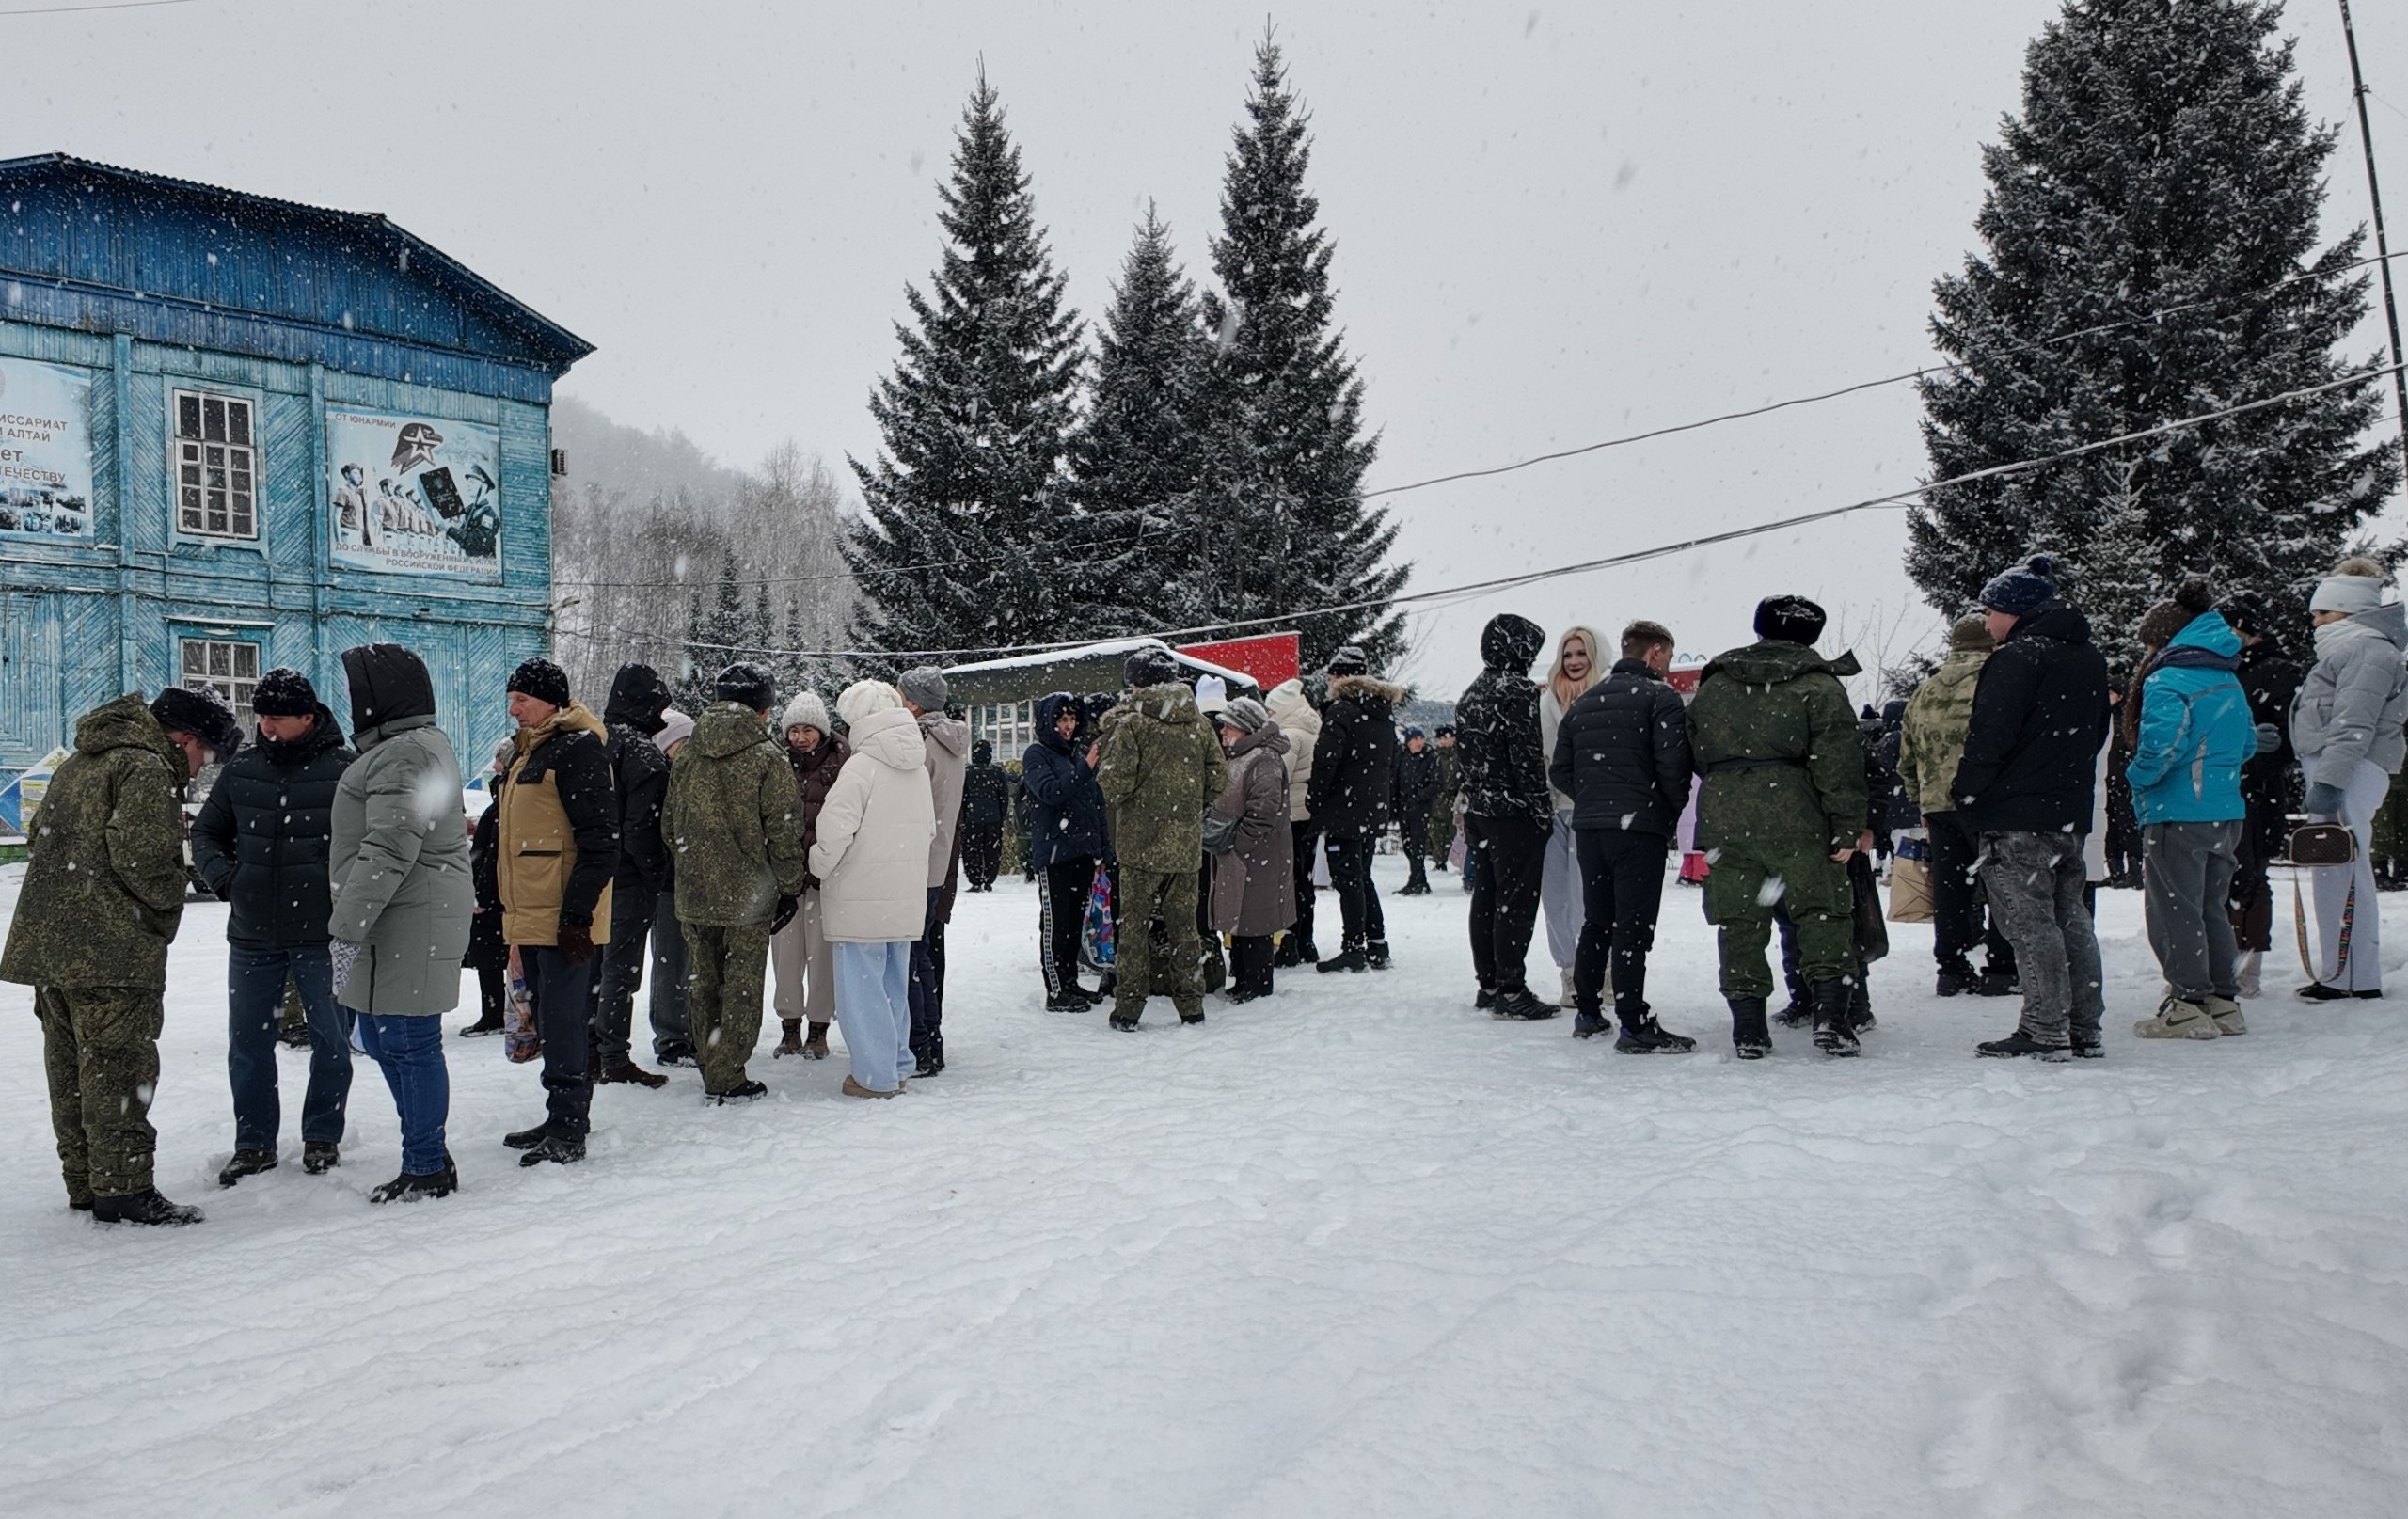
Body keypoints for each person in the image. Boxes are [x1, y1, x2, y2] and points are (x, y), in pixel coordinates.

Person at [3, 685, 240, 1225]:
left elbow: (44, 838)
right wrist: (163, 913)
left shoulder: (82, 762)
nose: (201, 766)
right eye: (203, 754)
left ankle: (85, 1183)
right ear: (184, 740)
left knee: (70, 1070)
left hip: (52, 947)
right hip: (111, 951)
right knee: (118, 1069)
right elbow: (146, 860)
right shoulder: (146, 769)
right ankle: (125, 1188)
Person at [188, 666, 356, 1186]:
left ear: (308, 717)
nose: (266, 727)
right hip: (253, 934)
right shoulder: (242, 770)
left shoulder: (347, 770)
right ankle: (254, 1142)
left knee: (332, 1040)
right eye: (261, 717)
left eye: (277, 718)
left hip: (323, 934)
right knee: (249, 1043)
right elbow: (207, 834)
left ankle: (322, 1135)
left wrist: (343, 895)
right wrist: (228, 881)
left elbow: (367, 845)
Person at [1686, 597, 1869, 1057]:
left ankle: (1748, 1029)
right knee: (1823, 913)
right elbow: (1838, 762)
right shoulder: (1818, 686)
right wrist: (1847, 826)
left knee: (1739, 921)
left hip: (1727, 814)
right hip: (1799, 812)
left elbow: (1696, 749)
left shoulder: (1717, 684)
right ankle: (1831, 1018)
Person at [326, 643, 474, 1203]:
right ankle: (428, 1150)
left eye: (355, 690)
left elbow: (389, 848)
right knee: (388, 1041)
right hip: (399, 916)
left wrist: (346, 925)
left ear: (379, 697)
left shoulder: (405, 754)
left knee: (408, 1042)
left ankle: (426, 1166)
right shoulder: (398, 749)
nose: (348, 701)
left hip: (412, 918)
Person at [1951, 556, 2113, 1060]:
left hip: (2016, 813)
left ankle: (2044, 1028)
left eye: (1991, 610)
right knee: (2071, 919)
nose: (1986, 621)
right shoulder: (2087, 656)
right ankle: (2084, 1027)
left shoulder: (2018, 658)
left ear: (2017, 611)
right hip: (2066, 811)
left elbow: (1989, 737)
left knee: (2027, 923)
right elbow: (2094, 733)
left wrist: (1967, 793)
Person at [660, 663, 806, 1103]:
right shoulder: (767, 757)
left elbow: (670, 825)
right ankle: (727, 1073)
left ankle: (711, 1061)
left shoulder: (686, 754)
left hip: (695, 890)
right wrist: (789, 885)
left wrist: (695, 863)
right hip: (750, 895)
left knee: (703, 981)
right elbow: (783, 830)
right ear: (764, 709)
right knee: (741, 985)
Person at [494, 657, 619, 1166]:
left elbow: (601, 842)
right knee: (549, 1018)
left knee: (566, 1023)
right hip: (532, 912)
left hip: (564, 917)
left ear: (550, 701)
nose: (514, 709)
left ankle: (569, 1129)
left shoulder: (578, 750)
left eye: (522, 699)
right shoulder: (533, 752)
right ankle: (559, 1115)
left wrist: (576, 917)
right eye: (512, 699)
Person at [1550, 619, 1695, 1052]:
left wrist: (1594, 799)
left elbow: (1561, 770)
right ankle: (1633, 1021)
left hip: (1591, 828)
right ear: (1654, 652)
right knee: (1632, 926)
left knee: (1597, 921)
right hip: (1638, 828)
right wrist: (1665, 812)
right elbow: (1673, 766)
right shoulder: (1661, 699)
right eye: (1667, 655)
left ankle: (1589, 1011)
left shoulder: (1585, 703)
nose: (1668, 664)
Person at [2124, 579, 2255, 1039]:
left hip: (2177, 808)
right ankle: (2222, 1000)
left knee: (2173, 908)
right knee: (2211, 906)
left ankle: (2186, 1001)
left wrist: (2136, 778)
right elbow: (2248, 744)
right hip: (2225, 810)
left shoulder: (2167, 680)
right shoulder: (2228, 678)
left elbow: (2161, 747)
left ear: (2164, 640)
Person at [810, 680, 936, 1096]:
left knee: (862, 996)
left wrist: (816, 866)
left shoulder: (861, 766)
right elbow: (926, 833)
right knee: (894, 988)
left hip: (859, 899)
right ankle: (898, 1064)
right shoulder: (916, 765)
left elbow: (833, 832)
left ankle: (874, 1076)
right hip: (903, 898)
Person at [2290, 557, 2408, 1000]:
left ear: (2350, 610)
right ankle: (2343, 971)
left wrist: (2331, 779)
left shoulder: (2367, 650)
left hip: (2349, 770)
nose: (2315, 621)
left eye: (2323, 612)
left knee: (2344, 866)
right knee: (2334, 867)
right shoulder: (2355, 648)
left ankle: (2354, 975)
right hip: (2342, 767)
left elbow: (2353, 723)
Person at [1096, 648, 1229, 1028]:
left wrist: (1138, 800)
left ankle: (1127, 1009)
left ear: (1136, 684)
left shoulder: (1133, 725)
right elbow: (1219, 780)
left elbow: (1112, 785)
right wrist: (1188, 806)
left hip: (1140, 846)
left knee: (1134, 929)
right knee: (1185, 929)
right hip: (1186, 845)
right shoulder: (1199, 724)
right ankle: (1191, 1005)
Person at [1899, 615, 2019, 997]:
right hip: (1991, 800)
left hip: (1939, 805)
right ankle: (2001, 967)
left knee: (1951, 888)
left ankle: (1951, 968)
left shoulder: (1925, 691)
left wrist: (1921, 799)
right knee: (2001, 882)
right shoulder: (2000, 680)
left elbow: (1907, 757)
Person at [1455, 614, 1555, 1018]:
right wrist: (1539, 805)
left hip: (1480, 808)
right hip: (1513, 810)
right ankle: (1512, 988)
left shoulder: (1471, 693)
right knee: (1516, 900)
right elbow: (1527, 757)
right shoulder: (1517, 691)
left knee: (1487, 895)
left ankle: (1490, 983)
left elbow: (1467, 759)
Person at [588, 662, 673, 1090]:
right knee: (621, 970)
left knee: (591, 966)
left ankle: (588, 1050)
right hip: (628, 879)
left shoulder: (590, 742)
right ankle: (613, 1056)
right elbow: (643, 830)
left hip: (589, 874)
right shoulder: (645, 755)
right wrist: (658, 874)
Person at [2219, 594, 2304, 998]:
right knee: (2227, 875)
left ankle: (2249, 961)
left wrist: (2252, 758)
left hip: (2257, 788)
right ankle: (2227, 957)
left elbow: (2288, 738)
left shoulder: (2278, 671)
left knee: (2251, 876)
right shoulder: (2224, 668)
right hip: (2228, 784)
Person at [1308, 646, 1401, 974]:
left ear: (1342, 677)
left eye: (1332, 676)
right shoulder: (1382, 711)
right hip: (1371, 806)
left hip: (1343, 808)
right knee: (1362, 876)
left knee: (1348, 879)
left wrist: (1315, 801)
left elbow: (1325, 761)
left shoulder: (1342, 710)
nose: (1329, 683)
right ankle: (1377, 944)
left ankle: (1353, 948)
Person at [899, 667, 969, 1076]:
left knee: (911, 956)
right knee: (924, 952)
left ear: (913, 702)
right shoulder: (953, 740)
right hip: (938, 861)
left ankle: (921, 1045)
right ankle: (932, 1042)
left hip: (915, 860)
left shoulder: (920, 741)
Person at [1022, 690, 1110, 1010]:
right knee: (1056, 925)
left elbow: (1094, 804)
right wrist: (1085, 768)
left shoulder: (1077, 755)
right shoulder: (1037, 755)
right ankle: (1056, 990)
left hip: (1081, 853)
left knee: (1075, 924)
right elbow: (1051, 792)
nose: (1068, 726)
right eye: (1061, 720)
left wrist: (1102, 849)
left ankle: (1070, 982)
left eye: (1072, 719)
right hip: (1055, 853)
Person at [771, 689, 847, 1061]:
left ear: (821, 730)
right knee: (786, 956)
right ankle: (789, 1028)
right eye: (794, 730)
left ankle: (818, 1029)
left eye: (808, 730)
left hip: (824, 876)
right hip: (783, 879)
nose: (800, 738)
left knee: (822, 957)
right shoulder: (774, 761)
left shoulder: (842, 760)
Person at [1537, 626, 1608, 1005]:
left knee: (1591, 896)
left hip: (1593, 809)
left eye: (1581, 653)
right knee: (1556, 897)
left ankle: (1605, 970)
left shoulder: (1607, 694)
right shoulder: (1546, 702)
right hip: (1553, 809)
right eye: (1567, 654)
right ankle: (1569, 973)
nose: (1574, 661)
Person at [1211, 696, 1296, 1002]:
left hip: (1257, 855)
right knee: (1242, 919)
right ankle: (1244, 980)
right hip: (1243, 856)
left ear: (1245, 728)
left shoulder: (1263, 759)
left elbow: (1264, 811)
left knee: (1257, 921)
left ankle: (1257, 986)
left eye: (1229, 727)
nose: (1223, 732)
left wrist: (1238, 843)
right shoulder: (1243, 755)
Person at [649, 708, 698, 1064]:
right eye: (682, 742)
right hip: (668, 883)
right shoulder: (657, 778)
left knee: (698, 962)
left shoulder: (700, 776)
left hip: (700, 881)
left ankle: (696, 1031)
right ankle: (671, 1037)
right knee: (671, 962)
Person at [1264, 677, 1323, 965]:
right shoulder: (1312, 727)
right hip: (1308, 814)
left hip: (1290, 815)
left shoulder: (1289, 734)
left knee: (1289, 881)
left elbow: (1278, 776)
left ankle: (1291, 941)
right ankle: (1306, 939)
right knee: (1305, 880)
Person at [460, 739, 514, 1037]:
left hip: (493, 893)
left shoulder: (505, 801)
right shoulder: (501, 797)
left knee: (491, 955)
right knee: (491, 955)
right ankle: (497, 1012)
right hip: (492, 889)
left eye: (498, 759)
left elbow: (493, 854)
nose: (494, 766)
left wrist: (482, 893)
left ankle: (496, 1014)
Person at [1391, 726, 1442, 895]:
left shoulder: (1430, 757)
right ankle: (1420, 880)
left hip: (1420, 808)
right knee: (1408, 845)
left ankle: (1416, 880)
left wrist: (1418, 797)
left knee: (1417, 845)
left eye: (1421, 738)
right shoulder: (1402, 757)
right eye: (1414, 739)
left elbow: (1436, 783)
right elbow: (1395, 781)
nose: (1419, 742)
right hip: (1404, 808)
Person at [961, 738, 1009, 892]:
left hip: (972, 818)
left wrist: (963, 815)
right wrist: (1002, 815)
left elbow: (963, 796)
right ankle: (989, 879)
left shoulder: (968, 772)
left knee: (972, 850)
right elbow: (1004, 796)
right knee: (992, 850)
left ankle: (975, 879)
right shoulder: (997, 772)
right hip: (993, 818)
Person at [1429, 726, 1460, 876]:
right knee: (1437, 833)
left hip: (1455, 800)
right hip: (1437, 800)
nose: (1443, 741)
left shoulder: (1459, 755)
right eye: (1440, 739)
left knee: (1457, 833)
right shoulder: (1434, 756)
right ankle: (1439, 861)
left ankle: (1459, 862)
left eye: (1445, 738)